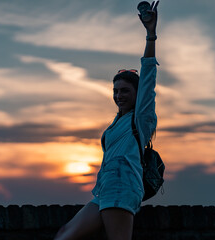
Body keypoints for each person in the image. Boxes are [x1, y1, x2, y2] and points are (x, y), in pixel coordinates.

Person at [54, 2, 159, 240]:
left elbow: (149, 77)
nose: (118, 96)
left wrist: (150, 34)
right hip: (104, 190)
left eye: (125, 91)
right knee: (64, 234)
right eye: (115, 91)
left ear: (137, 94)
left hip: (122, 187)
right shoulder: (116, 123)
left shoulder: (140, 118)